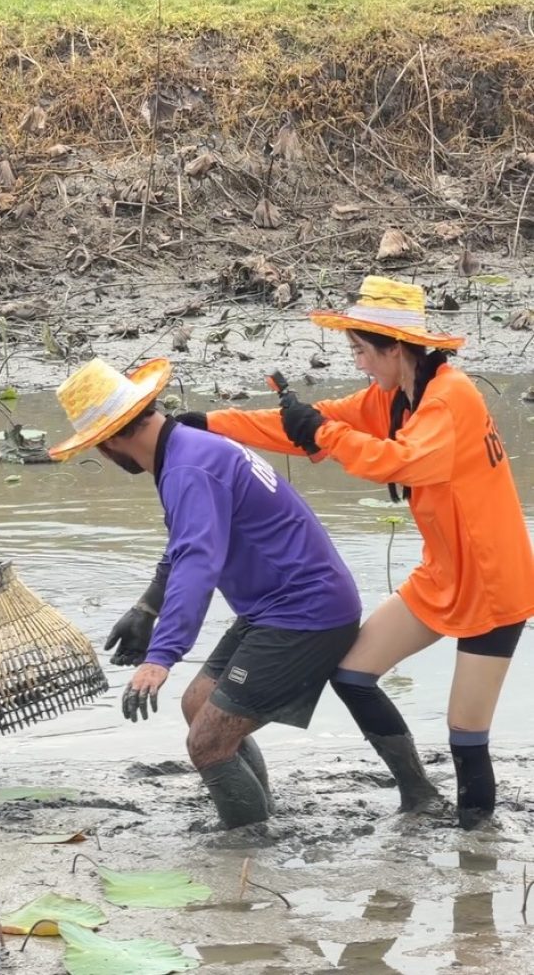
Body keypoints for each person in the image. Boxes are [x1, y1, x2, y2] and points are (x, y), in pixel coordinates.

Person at [172, 276, 533, 829]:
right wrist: (204, 424)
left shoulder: (451, 396)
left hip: (495, 582)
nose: (359, 364)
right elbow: (311, 425)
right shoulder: (392, 397)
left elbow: (399, 462)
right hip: (442, 575)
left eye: (362, 351)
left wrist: (321, 433)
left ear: (395, 347)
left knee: (467, 732)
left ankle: (475, 850)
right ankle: (418, 794)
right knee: (352, 674)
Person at [48, 356, 362, 830]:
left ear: (112, 440)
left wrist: (162, 656)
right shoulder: (185, 449)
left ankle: (246, 850)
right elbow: (185, 544)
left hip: (305, 612)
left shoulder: (187, 468)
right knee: (199, 706)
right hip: (276, 606)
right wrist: (146, 607)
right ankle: (261, 818)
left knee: (206, 743)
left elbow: (198, 563)